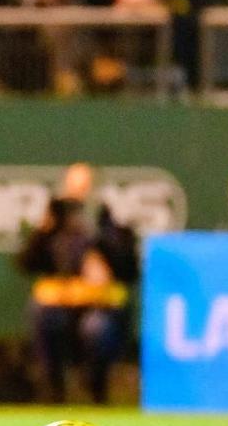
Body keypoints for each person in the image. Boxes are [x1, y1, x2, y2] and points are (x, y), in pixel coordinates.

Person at [16, 163, 137, 404]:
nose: (78, 196)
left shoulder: (110, 226)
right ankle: (53, 391)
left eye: (84, 188)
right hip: (61, 305)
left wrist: (104, 258)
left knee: (96, 329)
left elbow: (129, 269)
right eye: (73, 188)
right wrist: (43, 230)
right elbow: (26, 263)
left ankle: (96, 390)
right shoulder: (53, 228)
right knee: (43, 315)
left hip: (100, 307)